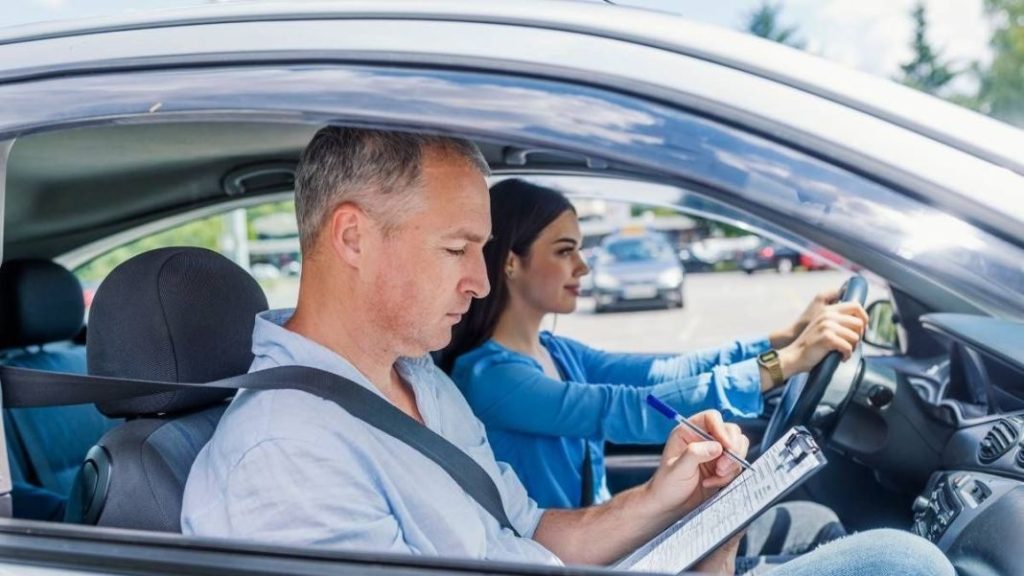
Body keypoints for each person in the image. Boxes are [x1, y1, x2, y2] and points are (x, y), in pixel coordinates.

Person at [181, 126, 954, 576]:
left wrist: (670, 497)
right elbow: (618, 404)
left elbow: (535, 531)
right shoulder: (283, 459)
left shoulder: (419, 381)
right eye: (458, 249)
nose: (482, 281)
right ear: (352, 237)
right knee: (903, 565)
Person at [442, 179, 868, 510]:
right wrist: (786, 364)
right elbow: (627, 409)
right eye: (564, 251)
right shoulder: (491, 377)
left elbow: (669, 371)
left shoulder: (555, 351)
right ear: (512, 262)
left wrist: (787, 339)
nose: (584, 266)